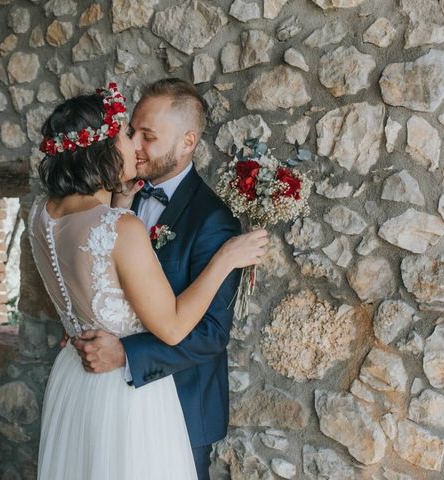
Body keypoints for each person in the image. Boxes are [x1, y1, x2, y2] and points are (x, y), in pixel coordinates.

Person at [29, 82, 267, 480]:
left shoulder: (214, 220)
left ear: (188, 141)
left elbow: (210, 333)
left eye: (147, 136)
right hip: (113, 396)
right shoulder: (119, 207)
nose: (136, 144)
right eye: (129, 132)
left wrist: (125, 353)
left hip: (174, 401)